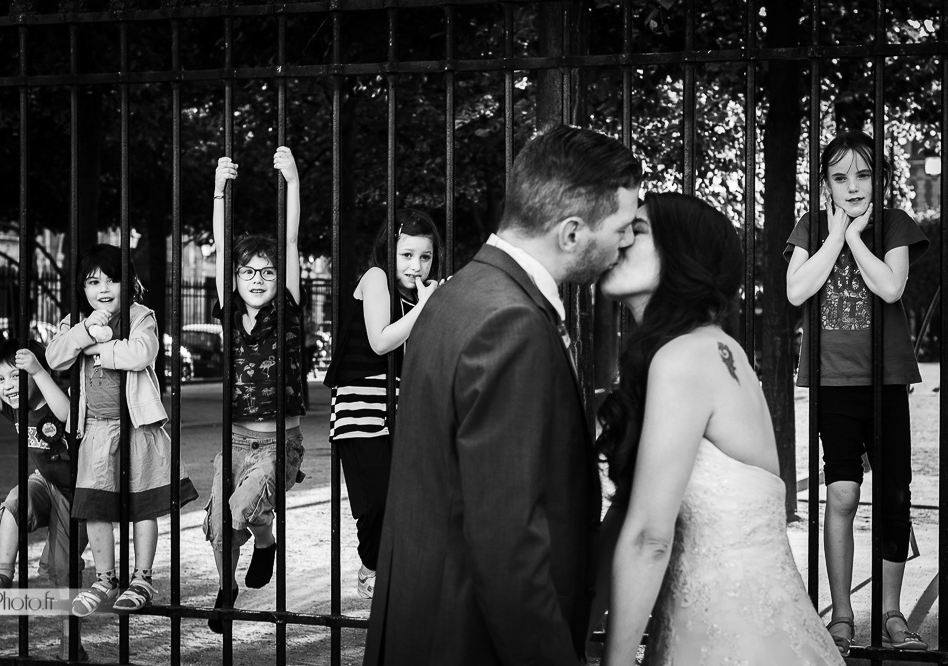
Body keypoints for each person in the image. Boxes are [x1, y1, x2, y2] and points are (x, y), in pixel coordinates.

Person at [363, 124, 641, 665]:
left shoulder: (457, 294)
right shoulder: (511, 324)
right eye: (623, 226)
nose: (627, 241)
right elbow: (508, 544)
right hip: (469, 642)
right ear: (572, 232)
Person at [596, 192, 843, 665]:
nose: (621, 239)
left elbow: (650, 537)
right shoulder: (716, 350)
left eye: (639, 230)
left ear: (683, 255)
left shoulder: (684, 358)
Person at [785, 129, 930, 655]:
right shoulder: (810, 226)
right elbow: (797, 289)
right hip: (833, 379)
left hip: (886, 379)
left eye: (864, 175)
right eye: (841, 177)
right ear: (825, 185)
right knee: (842, 493)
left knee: (893, 496)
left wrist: (855, 240)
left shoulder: (892, 223)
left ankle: (892, 614)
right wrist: (835, 235)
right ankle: (842, 615)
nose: (853, 185)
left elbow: (890, 287)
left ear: (879, 179)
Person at [46, 243, 199, 617]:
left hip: (138, 427)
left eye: (113, 280)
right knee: (95, 506)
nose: (104, 288)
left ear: (126, 283)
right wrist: (84, 332)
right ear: (81, 288)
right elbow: (54, 356)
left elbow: (143, 353)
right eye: (93, 281)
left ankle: (142, 578)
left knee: (143, 504)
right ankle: (105, 579)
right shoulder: (75, 322)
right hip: (96, 429)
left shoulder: (139, 315)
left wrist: (102, 347)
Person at [204, 147, 307, 634]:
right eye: (249, 272)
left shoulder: (285, 308)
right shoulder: (229, 311)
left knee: (242, 508)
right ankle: (229, 590)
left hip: (276, 444)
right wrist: (219, 191)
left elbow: (289, 239)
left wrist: (291, 180)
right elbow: (223, 248)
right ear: (236, 281)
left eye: (267, 272)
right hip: (235, 441)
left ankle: (263, 540)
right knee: (217, 525)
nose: (259, 278)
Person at [322, 209, 442, 599]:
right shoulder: (376, 279)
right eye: (407, 255)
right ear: (389, 252)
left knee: (408, 501)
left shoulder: (421, 296)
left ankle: (393, 575)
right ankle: (371, 568)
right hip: (360, 409)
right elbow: (379, 341)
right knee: (375, 503)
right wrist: (428, 306)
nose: (416, 266)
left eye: (425, 257)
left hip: (403, 412)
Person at [0, 313, 88, 660]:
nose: (6, 385)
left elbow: (66, 416)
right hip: (44, 481)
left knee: (63, 568)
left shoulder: (51, 399)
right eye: (3, 379)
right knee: (14, 503)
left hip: (76, 493)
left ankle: (69, 641)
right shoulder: (13, 407)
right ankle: (3, 574)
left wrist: (38, 371)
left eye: (14, 376)